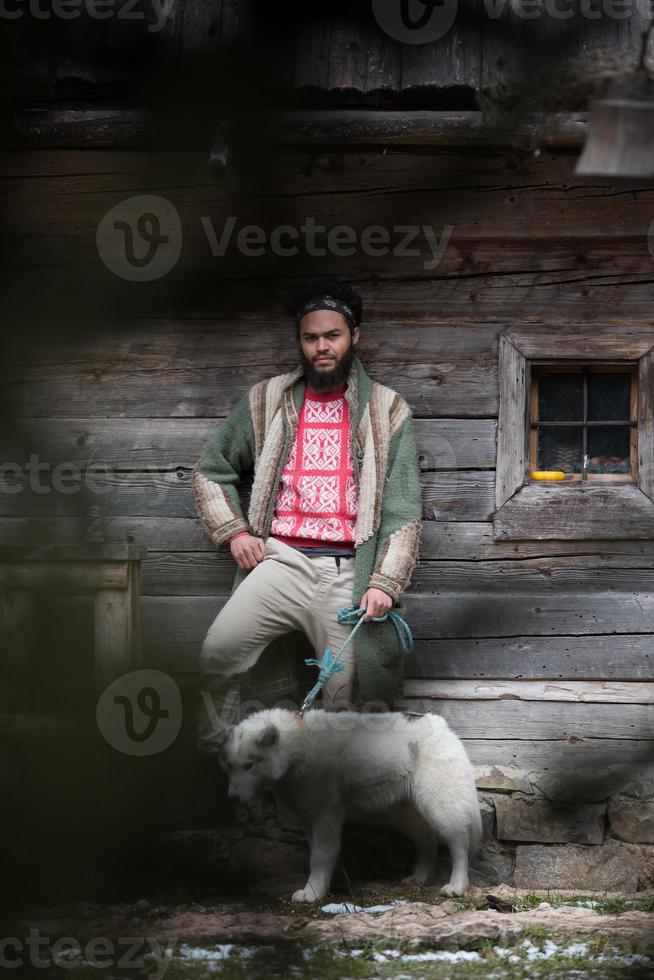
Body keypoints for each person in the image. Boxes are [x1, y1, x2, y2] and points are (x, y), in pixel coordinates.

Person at [192, 283, 422, 748]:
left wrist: (384, 582)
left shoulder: (387, 409)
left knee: (345, 701)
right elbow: (210, 471)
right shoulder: (267, 400)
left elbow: (403, 507)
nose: (322, 347)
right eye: (310, 337)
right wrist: (234, 532)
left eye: (332, 335)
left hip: (348, 577)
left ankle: (320, 803)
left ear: (353, 335)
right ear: (300, 341)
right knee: (217, 655)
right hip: (281, 562)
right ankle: (219, 767)